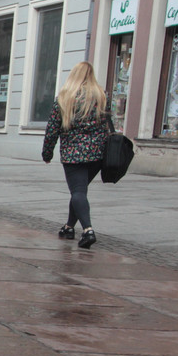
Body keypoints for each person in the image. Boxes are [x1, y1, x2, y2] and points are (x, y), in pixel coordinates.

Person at [42, 61, 111, 249]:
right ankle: (69, 227)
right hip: (97, 154)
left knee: (78, 192)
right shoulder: (101, 96)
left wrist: (47, 152)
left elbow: (52, 129)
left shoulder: (65, 97)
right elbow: (106, 124)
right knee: (80, 191)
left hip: (73, 154)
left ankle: (88, 230)